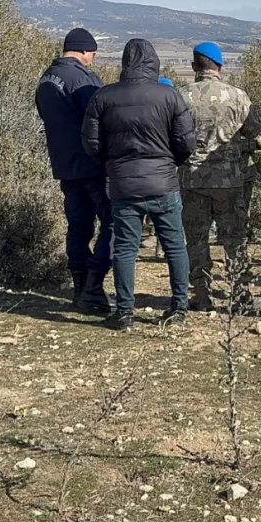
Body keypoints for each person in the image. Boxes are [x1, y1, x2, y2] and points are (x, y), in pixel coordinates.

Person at [81, 39, 197, 331]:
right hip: (163, 182)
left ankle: (124, 313)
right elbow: (186, 142)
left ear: (124, 63)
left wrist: (111, 165)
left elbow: (91, 143)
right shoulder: (169, 96)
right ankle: (179, 307)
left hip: (123, 183)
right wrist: (171, 163)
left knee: (124, 248)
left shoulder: (104, 97)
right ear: (154, 63)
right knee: (174, 246)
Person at [177, 42, 261, 319]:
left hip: (192, 178)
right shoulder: (237, 97)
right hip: (230, 179)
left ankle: (201, 294)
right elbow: (257, 134)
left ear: (194, 66)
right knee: (235, 238)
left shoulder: (180, 97)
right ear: (220, 67)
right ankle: (240, 295)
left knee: (196, 237)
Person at [35, 28, 114, 314]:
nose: (93, 58)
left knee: (79, 227)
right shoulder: (83, 78)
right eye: (93, 53)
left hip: (65, 165)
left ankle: (80, 287)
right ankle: (94, 285)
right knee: (114, 223)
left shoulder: (46, 78)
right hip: (92, 165)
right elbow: (101, 117)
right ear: (84, 50)